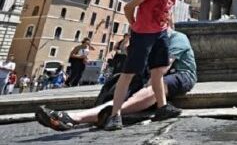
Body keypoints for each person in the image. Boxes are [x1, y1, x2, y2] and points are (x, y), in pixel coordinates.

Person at [36, 30, 197, 131]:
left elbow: (162, 69)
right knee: (124, 85)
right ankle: (72, 118)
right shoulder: (147, 41)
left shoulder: (177, 37)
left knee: (155, 85)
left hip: (180, 74)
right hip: (149, 80)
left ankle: (97, 115)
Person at [104, 0, 191, 131]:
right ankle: (114, 115)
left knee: (158, 71)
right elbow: (129, 7)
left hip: (161, 34)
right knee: (128, 74)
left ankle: (162, 107)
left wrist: (168, 26)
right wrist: (134, 25)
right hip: (142, 34)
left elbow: (167, 11)